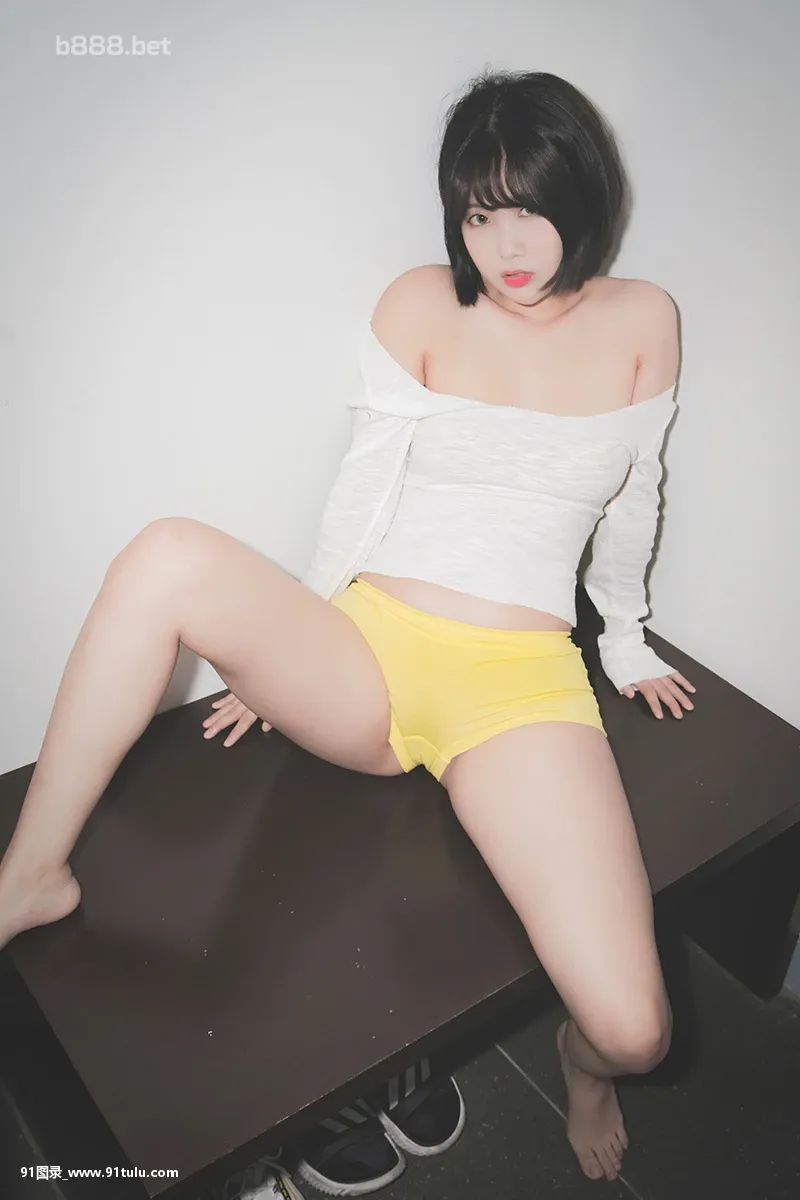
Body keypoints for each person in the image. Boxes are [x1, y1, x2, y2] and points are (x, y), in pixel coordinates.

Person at [0, 68, 696, 1193]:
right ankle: (30, 875)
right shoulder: (419, 302)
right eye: (480, 214)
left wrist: (623, 637)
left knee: (634, 1029)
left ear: (584, 195)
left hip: (517, 685)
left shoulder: (642, 319)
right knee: (166, 551)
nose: (505, 246)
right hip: (369, 651)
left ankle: (583, 1071)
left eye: (529, 210)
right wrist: (279, 653)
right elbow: (361, 492)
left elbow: (635, 499)